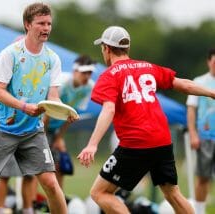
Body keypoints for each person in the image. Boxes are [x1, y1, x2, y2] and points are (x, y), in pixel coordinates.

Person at [77, 25, 215, 214]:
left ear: (107, 49)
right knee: (173, 194)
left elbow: (108, 108)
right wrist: (211, 92)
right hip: (162, 139)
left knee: (100, 193)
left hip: (136, 143)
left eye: (103, 48)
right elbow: (182, 84)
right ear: (127, 48)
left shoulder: (109, 76)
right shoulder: (147, 67)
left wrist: (92, 144)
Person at [0, 3, 77, 214]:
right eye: (41, 23)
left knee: (51, 183)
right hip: (4, 129)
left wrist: (65, 110)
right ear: (27, 25)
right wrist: (24, 106)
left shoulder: (53, 59)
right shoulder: (10, 54)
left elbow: (53, 96)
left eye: (49, 23)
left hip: (33, 131)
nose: (46, 28)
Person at [21, 55, 96, 211]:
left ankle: (56, 206)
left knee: (58, 166)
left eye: (90, 73)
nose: (87, 76)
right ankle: (32, 206)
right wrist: (40, 135)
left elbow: (70, 115)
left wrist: (59, 138)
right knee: (37, 168)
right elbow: (47, 111)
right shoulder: (62, 82)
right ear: (75, 71)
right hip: (38, 125)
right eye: (84, 72)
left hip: (54, 129)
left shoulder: (88, 87)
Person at [186, 48, 215, 214]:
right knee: (203, 177)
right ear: (209, 61)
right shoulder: (199, 81)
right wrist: (193, 134)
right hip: (205, 137)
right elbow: (191, 109)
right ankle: (199, 210)